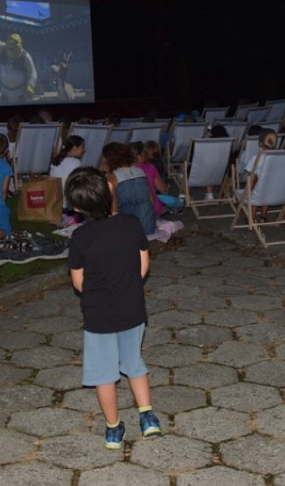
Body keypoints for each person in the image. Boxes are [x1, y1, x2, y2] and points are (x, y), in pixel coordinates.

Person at [64, 167, 160, 449]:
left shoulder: (80, 238)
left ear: (78, 207)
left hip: (99, 317)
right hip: (132, 309)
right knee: (134, 364)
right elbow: (143, 267)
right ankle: (148, 417)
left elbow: (79, 283)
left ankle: (113, 429)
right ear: (110, 190)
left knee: (104, 376)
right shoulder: (131, 224)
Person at [102, 142, 156, 236]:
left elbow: (113, 210)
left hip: (128, 228)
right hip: (148, 224)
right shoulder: (139, 171)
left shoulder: (112, 177)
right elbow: (151, 200)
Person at [0, 14, 37, 103]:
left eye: (14, 45)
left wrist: (31, 86)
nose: (11, 47)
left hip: (20, 92)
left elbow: (32, 72)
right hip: (5, 91)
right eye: (10, 44)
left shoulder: (25, 56)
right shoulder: (4, 48)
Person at [244, 129, 279, 223]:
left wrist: (247, 192)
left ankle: (251, 217)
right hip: (276, 191)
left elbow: (250, 183)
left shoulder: (256, 159)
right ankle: (263, 216)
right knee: (267, 186)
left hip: (260, 192)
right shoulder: (280, 157)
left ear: (259, 143)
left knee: (255, 190)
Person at [50, 136, 85, 213]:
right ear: (75, 148)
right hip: (67, 203)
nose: (83, 150)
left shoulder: (56, 160)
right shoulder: (75, 162)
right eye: (82, 147)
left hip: (55, 199)